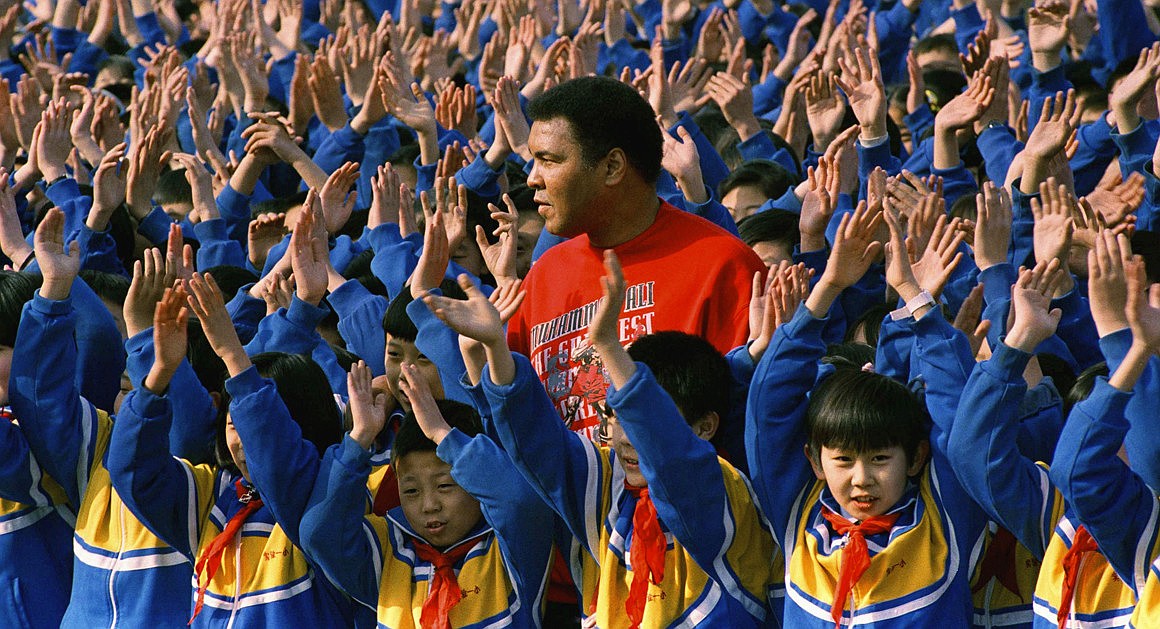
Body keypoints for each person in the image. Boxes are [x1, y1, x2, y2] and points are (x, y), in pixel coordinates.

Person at [426, 257, 780, 628]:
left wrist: (610, 347)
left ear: (705, 427)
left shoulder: (719, 487)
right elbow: (539, 443)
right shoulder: (611, 484)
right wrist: (496, 348)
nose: (625, 439)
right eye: (616, 417)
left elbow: (673, 462)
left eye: (641, 422)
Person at [746, 200, 992, 626]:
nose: (860, 479)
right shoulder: (798, 512)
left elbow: (958, 417)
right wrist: (827, 287)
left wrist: (916, 301)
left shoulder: (944, 517)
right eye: (842, 459)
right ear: (813, 461)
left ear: (915, 458)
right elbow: (769, 403)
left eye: (880, 458)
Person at [504, 76, 766, 435]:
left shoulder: (723, 265)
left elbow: (743, 428)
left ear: (612, 167)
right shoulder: (544, 275)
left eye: (548, 160)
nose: (532, 178)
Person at [299, 359, 555, 628]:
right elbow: (318, 533)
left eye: (445, 486)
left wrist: (442, 434)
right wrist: (359, 439)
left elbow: (520, 499)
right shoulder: (389, 550)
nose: (429, 506)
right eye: (411, 491)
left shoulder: (510, 546)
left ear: (473, 480)